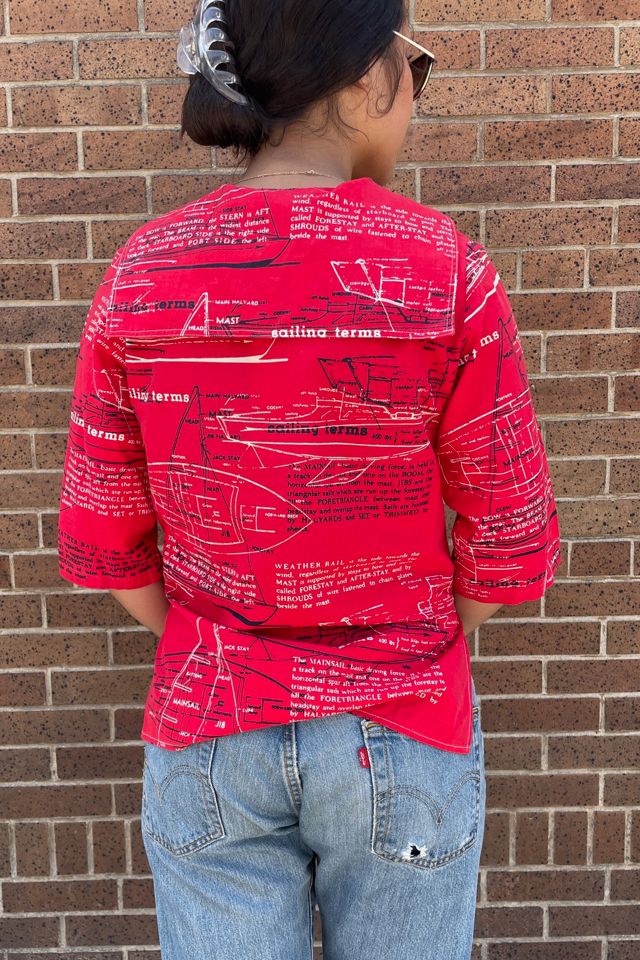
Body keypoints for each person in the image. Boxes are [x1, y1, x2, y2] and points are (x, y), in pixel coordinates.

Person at [56, 1, 562, 958]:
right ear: (368, 76)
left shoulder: (140, 275)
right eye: (415, 66)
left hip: (211, 722)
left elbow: (103, 540)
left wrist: (224, 643)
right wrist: (403, 649)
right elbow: (511, 544)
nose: (413, 91)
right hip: (402, 721)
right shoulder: (449, 272)